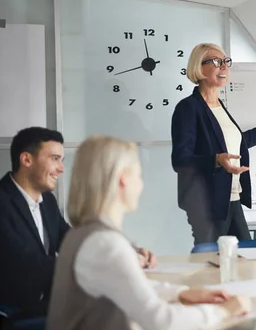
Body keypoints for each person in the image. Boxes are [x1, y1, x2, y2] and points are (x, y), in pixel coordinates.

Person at [47, 135, 251, 330]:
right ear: (122, 179)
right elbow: (161, 321)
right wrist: (224, 311)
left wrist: (183, 293)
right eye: (138, 175)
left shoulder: (84, 234)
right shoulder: (104, 244)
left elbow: (133, 286)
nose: (141, 184)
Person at [0, 127, 157, 319]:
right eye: (54, 159)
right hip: (15, 314)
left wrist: (128, 249)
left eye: (62, 160)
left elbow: (71, 238)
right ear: (27, 160)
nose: (61, 168)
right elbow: (26, 264)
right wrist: (102, 260)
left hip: (48, 304)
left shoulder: (46, 201)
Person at [171, 43, 256, 244]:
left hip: (231, 196)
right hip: (206, 201)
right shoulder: (188, 108)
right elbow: (180, 160)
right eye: (216, 62)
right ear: (199, 67)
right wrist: (216, 160)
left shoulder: (219, 106)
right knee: (214, 263)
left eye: (226, 61)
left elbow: (233, 145)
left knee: (245, 257)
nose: (224, 66)